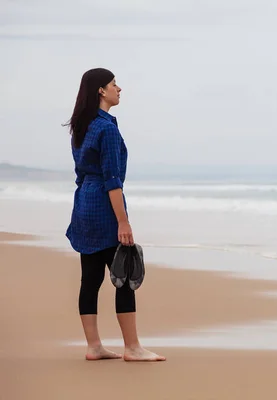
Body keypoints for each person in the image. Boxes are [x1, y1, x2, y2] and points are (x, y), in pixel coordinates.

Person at [65, 68, 165, 362]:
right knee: (125, 275)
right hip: (104, 206)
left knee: (91, 278)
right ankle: (132, 348)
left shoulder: (82, 125)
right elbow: (112, 180)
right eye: (113, 84)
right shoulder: (106, 128)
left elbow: (85, 173)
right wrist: (123, 221)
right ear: (101, 90)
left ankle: (94, 346)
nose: (119, 89)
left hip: (84, 202)